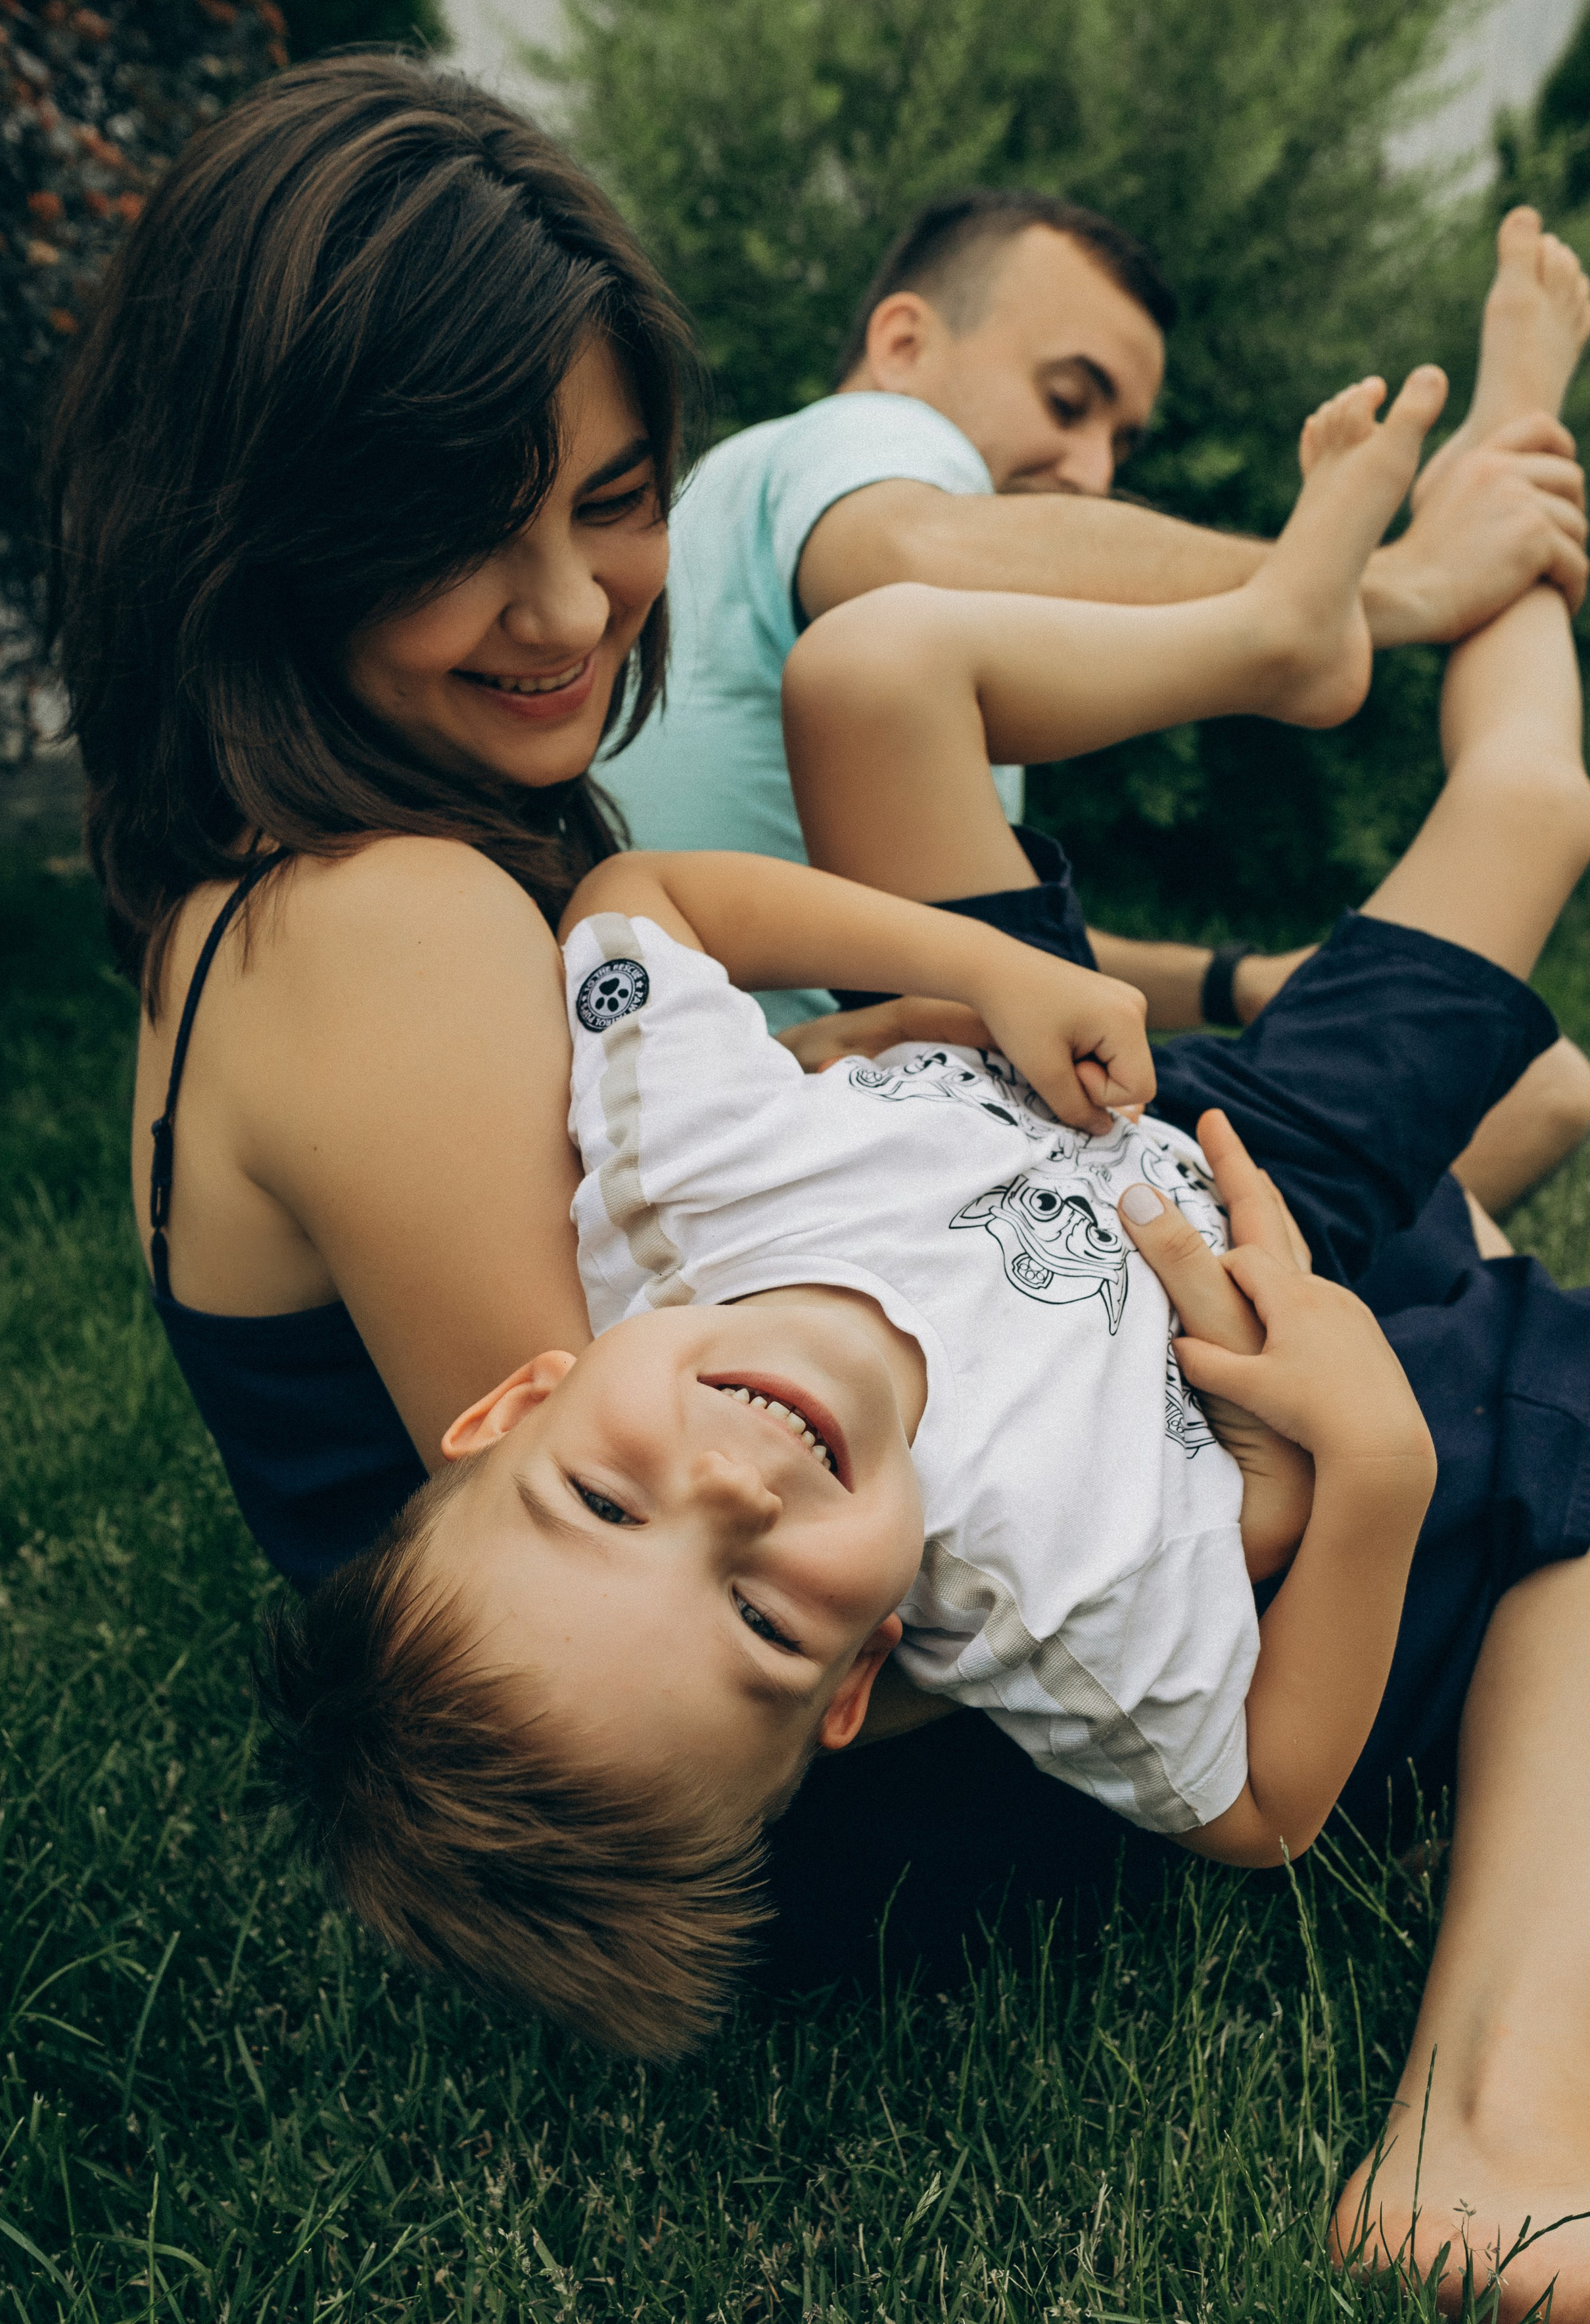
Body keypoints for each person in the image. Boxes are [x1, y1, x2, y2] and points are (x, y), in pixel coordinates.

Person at [262, 369, 1590, 2313]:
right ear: (872, 1667)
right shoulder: (1042, 1580)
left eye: (609, 1501)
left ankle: (1329, 611)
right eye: (764, 1615)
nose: (733, 1487)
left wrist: (962, 975)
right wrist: (1369, 1471)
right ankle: (1535, 509)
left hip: (1035, 1055)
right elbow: (1263, 1806)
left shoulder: (670, 1201)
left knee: (873, 672)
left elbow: (644, 899)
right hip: (1266, 1165)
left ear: (526, 1392)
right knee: (1535, 804)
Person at [604, 186, 1590, 1214]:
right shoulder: (861, 438)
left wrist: (1227, 983)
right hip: (845, 1128)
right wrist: (1392, 581)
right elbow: (904, 555)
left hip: (898, 1103)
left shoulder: (764, 554)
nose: (1093, 470)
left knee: (1542, 1089)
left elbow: (962, 941)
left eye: (1121, 443)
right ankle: (1465, 493)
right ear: (902, 343)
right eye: (1069, 400)